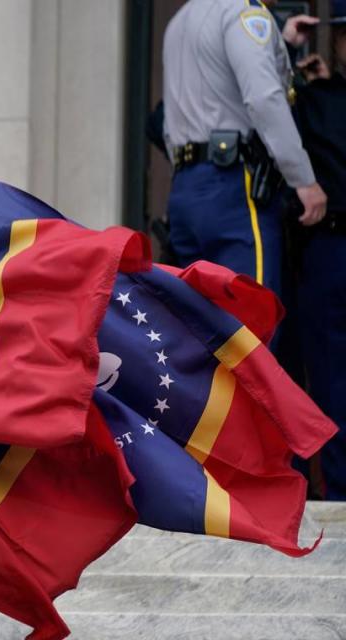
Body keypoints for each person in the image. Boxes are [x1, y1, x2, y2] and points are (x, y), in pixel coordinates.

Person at [162, 0, 327, 297]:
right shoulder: (244, 12)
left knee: (201, 324)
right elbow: (264, 98)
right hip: (234, 187)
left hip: (185, 186)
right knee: (251, 319)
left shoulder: (180, 20)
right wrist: (303, 179)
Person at [290, 2, 346, 499]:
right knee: (329, 375)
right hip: (329, 246)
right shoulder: (316, 99)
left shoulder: (316, 98)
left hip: (330, 248)